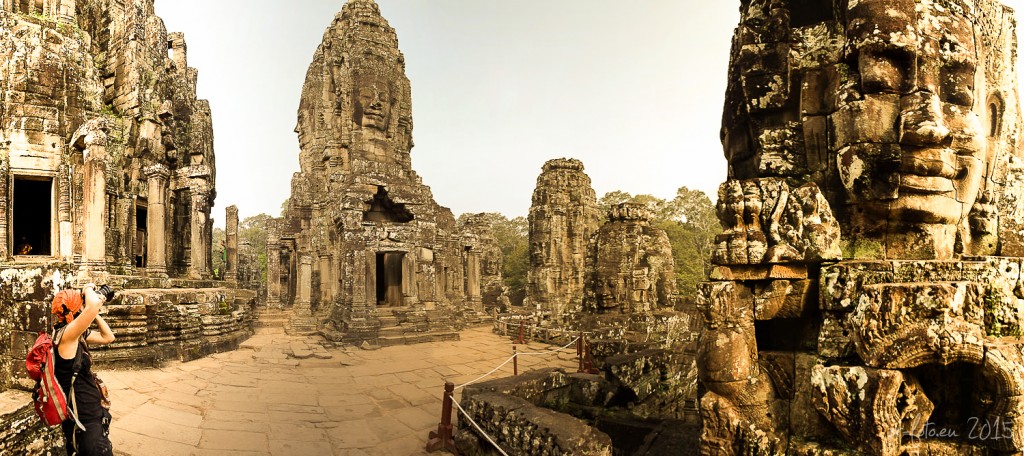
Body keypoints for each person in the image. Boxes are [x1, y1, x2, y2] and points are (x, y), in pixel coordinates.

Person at [52, 284, 116, 455]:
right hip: (84, 421)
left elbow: (108, 337)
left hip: (90, 416)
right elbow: (93, 305)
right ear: (75, 310)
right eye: (80, 304)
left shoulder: (75, 335)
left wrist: (93, 315)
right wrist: (88, 289)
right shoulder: (66, 336)